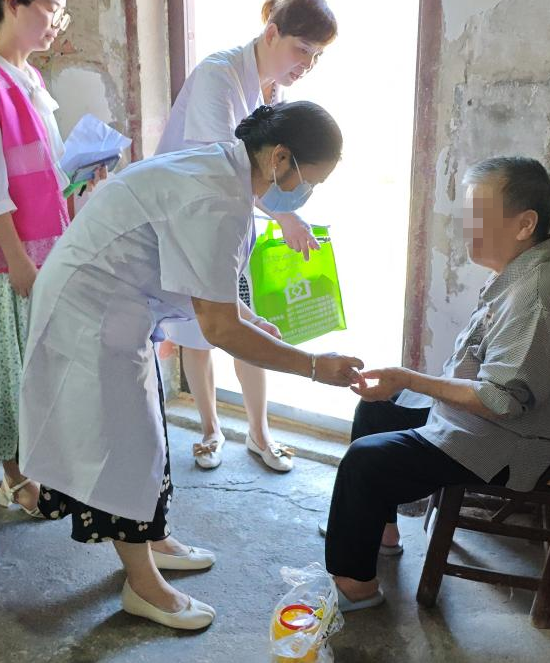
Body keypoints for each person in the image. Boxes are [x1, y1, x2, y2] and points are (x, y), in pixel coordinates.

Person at [18, 103, 363, 630]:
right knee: (126, 448)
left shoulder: (227, 171)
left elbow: (205, 274)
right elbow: (220, 329)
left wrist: (247, 315)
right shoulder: (218, 195)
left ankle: (155, 540)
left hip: (116, 305)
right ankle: (143, 585)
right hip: (89, 312)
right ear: (280, 158)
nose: (306, 193)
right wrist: (314, 366)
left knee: (146, 435)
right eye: (310, 180)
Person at [323, 157, 550, 611]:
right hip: (489, 419)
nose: (465, 226)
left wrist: (409, 378)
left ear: (524, 224)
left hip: (508, 442)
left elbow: (499, 403)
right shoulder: (523, 271)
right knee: (376, 409)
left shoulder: (536, 296)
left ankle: (357, 587)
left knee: (365, 461)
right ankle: (380, 533)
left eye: (477, 214)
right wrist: (407, 384)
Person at [155, 0, 338, 474]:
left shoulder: (271, 92)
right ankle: (210, 430)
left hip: (227, 224)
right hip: (189, 224)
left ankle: (258, 433)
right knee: (200, 332)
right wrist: (283, 216)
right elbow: (221, 168)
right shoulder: (219, 75)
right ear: (272, 33)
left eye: (317, 56)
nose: (307, 64)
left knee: (244, 326)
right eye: (302, 49)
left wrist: (284, 211)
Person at [0, 0, 101, 518]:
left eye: (62, 13)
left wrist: (83, 175)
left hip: (49, 243)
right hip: (11, 254)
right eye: (51, 9)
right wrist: (16, 259)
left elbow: (47, 168)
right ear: (11, 4)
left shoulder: (30, 77)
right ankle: (14, 477)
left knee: (46, 364)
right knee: (11, 366)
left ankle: (44, 464)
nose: (57, 23)